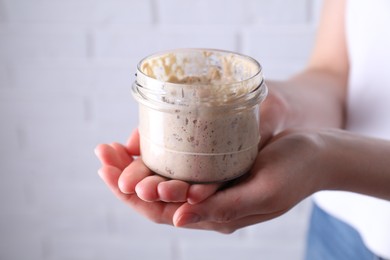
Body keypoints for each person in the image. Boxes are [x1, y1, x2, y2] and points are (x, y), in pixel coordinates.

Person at [95, 0, 390, 259]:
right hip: (338, 226)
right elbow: (334, 73)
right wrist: (279, 105)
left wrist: (327, 161)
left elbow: (325, 158)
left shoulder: (325, 162)